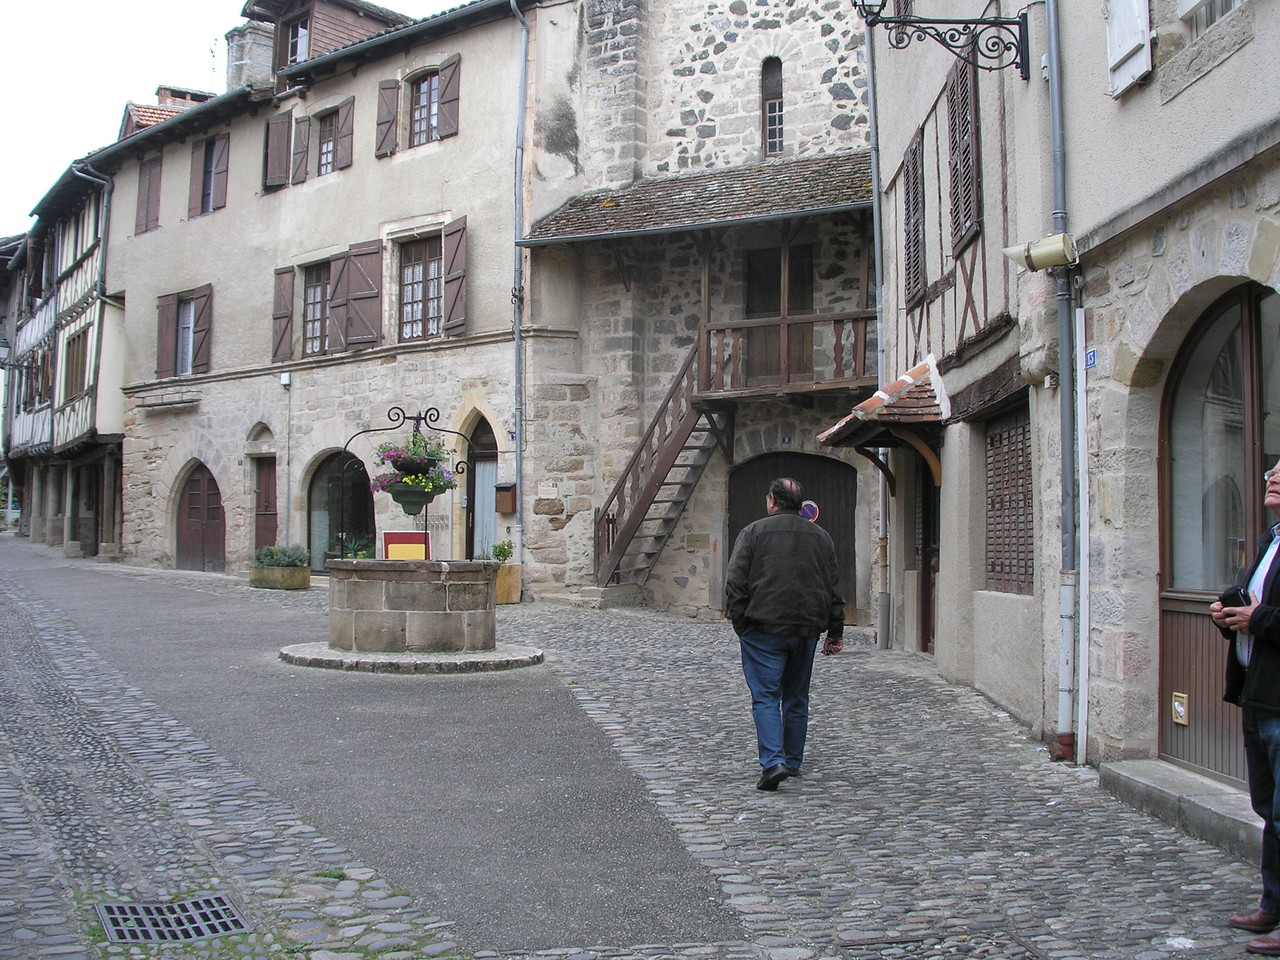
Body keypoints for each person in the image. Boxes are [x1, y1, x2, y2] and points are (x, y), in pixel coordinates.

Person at [725, 477, 844, 791]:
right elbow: (833, 586)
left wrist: (741, 624)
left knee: (765, 697)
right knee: (796, 698)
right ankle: (791, 760)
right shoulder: (822, 537)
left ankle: (773, 761)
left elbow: (736, 581)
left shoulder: (752, 533)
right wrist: (835, 629)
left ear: (772, 500)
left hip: (763, 628)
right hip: (806, 628)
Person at [1212, 460, 1280, 956]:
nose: (1271, 476)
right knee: (1268, 810)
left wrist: (1258, 619)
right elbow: (1257, 607)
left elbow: (1268, 616)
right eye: (1272, 470)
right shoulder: (1269, 540)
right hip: (1258, 693)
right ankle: (1273, 904)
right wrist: (1229, 613)